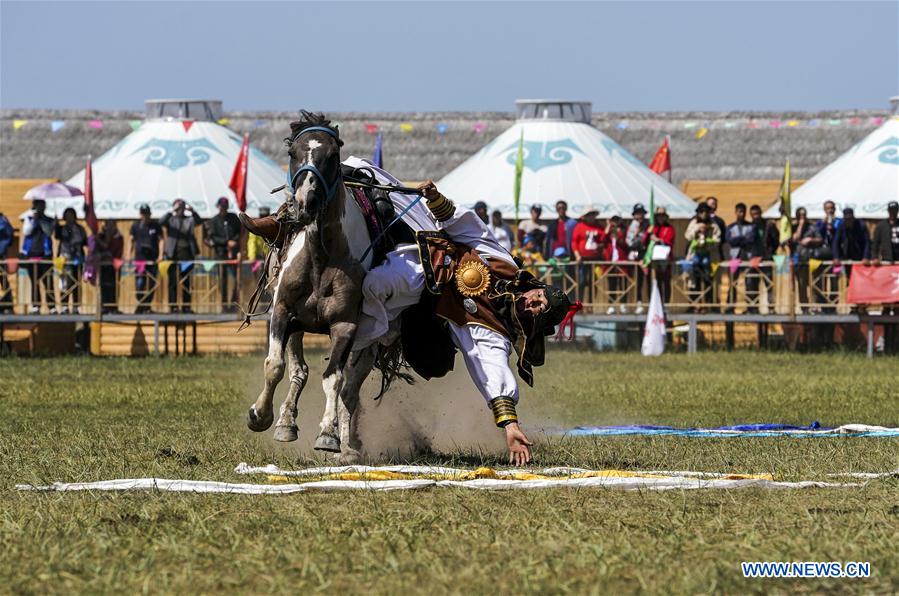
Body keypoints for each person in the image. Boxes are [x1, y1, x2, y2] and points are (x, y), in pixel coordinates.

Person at [351, 180, 570, 465]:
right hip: (430, 259)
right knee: (375, 276)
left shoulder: (494, 331)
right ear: (535, 288)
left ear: (538, 320)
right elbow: (475, 230)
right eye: (538, 297)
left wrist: (510, 426)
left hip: (428, 301)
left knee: (377, 286)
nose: (533, 303)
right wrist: (436, 198)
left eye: (540, 308)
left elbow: (492, 371)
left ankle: (364, 342)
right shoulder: (505, 263)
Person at [160, 198, 202, 313]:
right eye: (178, 207)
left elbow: (199, 221)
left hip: (187, 255)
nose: (180, 209)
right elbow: (161, 222)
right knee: (172, 282)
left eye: (182, 207)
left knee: (186, 282)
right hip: (172, 255)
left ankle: (186, 306)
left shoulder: (189, 219)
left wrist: (192, 210)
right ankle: (173, 306)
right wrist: (172, 210)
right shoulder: (171, 219)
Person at [205, 197, 241, 311]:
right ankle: (224, 305)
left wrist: (234, 242)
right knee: (223, 281)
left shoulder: (233, 218)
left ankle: (234, 303)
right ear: (218, 207)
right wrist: (226, 242)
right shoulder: (214, 220)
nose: (223, 209)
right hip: (221, 254)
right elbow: (213, 238)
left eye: (225, 207)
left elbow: (239, 232)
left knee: (237, 279)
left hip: (234, 253)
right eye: (221, 207)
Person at [20, 199, 56, 313]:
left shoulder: (48, 220)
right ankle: (36, 305)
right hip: (32, 254)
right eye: (37, 206)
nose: (40, 208)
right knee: (34, 281)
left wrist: (42, 221)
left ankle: (52, 306)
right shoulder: (29, 218)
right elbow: (26, 232)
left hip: (45, 253)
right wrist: (34, 220)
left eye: (42, 206)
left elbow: (49, 232)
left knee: (48, 281)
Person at [684, 203, 721, 308]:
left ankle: (709, 305)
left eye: (706, 212)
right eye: (701, 212)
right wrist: (697, 229)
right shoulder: (693, 223)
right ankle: (694, 305)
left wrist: (707, 241)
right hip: (695, 256)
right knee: (694, 282)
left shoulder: (714, 225)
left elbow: (717, 240)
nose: (704, 214)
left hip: (709, 257)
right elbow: (687, 236)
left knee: (708, 281)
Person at [129, 204, 163, 313]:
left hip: (153, 260)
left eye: (147, 214)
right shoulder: (135, 226)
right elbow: (131, 240)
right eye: (143, 214)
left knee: (152, 284)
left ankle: (147, 305)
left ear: (150, 214)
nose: (145, 216)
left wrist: (161, 255)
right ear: (140, 214)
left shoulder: (155, 226)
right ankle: (141, 303)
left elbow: (161, 240)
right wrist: (129, 255)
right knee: (140, 282)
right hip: (140, 259)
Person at [54, 207, 87, 313]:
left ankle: (76, 306)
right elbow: (58, 236)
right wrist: (56, 225)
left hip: (77, 258)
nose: (69, 218)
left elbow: (83, 240)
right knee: (64, 283)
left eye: (71, 215)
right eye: (67, 216)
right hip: (65, 258)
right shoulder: (64, 228)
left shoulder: (80, 228)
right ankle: (64, 305)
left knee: (76, 283)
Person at [570, 206, 604, 304]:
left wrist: (600, 246)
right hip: (583, 259)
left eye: (592, 214)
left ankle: (591, 304)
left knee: (593, 283)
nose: (591, 217)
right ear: (584, 217)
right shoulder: (579, 227)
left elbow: (604, 241)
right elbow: (574, 242)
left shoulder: (599, 227)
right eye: (589, 215)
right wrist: (577, 255)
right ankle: (579, 303)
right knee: (581, 281)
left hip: (595, 260)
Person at [790, 207, 821, 312]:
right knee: (802, 284)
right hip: (798, 259)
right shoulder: (793, 227)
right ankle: (804, 307)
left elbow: (820, 239)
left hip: (811, 258)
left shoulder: (812, 227)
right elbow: (794, 239)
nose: (802, 218)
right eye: (800, 215)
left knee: (815, 283)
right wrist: (800, 226)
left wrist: (811, 240)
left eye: (804, 215)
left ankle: (816, 306)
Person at [725, 203, 755, 309]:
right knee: (733, 281)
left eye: (743, 212)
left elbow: (751, 239)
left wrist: (738, 239)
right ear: (735, 212)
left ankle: (751, 306)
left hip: (747, 255)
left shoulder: (750, 226)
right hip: (734, 257)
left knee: (750, 281)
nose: (741, 214)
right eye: (739, 211)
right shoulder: (731, 227)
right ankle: (731, 304)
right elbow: (730, 240)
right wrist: (743, 239)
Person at [643, 206, 675, 304]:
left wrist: (659, 240)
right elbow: (644, 242)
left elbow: (670, 241)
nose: (660, 218)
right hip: (653, 260)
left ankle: (666, 303)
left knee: (665, 282)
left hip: (664, 259)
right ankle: (654, 303)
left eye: (662, 216)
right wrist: (648, 234)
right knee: (653, 282)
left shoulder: (669, 228)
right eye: (658, 216)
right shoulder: (653, 228)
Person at [832, 207, 870, 279]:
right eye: (846, 219)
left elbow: (867, 242)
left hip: (860, 255)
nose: (848, 221)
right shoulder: (841, 225)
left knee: (861, 277)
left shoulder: (861, 225)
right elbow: (836, 242)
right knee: (849, 277)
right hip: (847, 255)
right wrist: (836, 257)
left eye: (850, 219)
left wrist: (866, 257)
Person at [95, 220, 123, 313]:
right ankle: (104, 307)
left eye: (112, 225)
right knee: (104, 286)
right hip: (103, 264)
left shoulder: (118, 237)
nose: (110, 227)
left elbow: (117, 249)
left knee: (114, 286)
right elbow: (99, 248)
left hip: (114, 264)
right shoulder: (100, 236)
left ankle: (113, 307)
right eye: (108, 225)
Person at [602, 215, 629, 314]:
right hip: (610, 262)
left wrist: (619, 236)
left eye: (617, 219)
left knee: (623, 285)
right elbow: (603, 240)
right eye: (613, 220)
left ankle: (623, 305)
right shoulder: (608, 231)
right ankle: (611, 305)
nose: (615, 222)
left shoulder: (624, 230)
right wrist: (608, 228)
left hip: (622, 261)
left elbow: (626, 244)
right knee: (612, 284)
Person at [626, 203, 649, 313]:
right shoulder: (632, 226)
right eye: (637, 214)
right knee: (636, 280)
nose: (640, 216)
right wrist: (638, 235)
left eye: (641, 213)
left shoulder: (648, 225)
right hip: (635, 256)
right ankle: (637, 302)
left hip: (646, 256)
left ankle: (648, 302)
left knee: (648, 279)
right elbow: (629, 242)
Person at [705, 196, 727, 261]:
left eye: (714, 204)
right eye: (710, 204)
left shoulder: (720, 221)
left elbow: (723, 238)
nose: (711, 206)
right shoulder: (699, 219)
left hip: (716, 251)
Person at [0, 212, 13, 312]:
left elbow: (8, 237)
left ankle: (8, 303)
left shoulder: (3, 221)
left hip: (0, 255)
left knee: (3, 279)